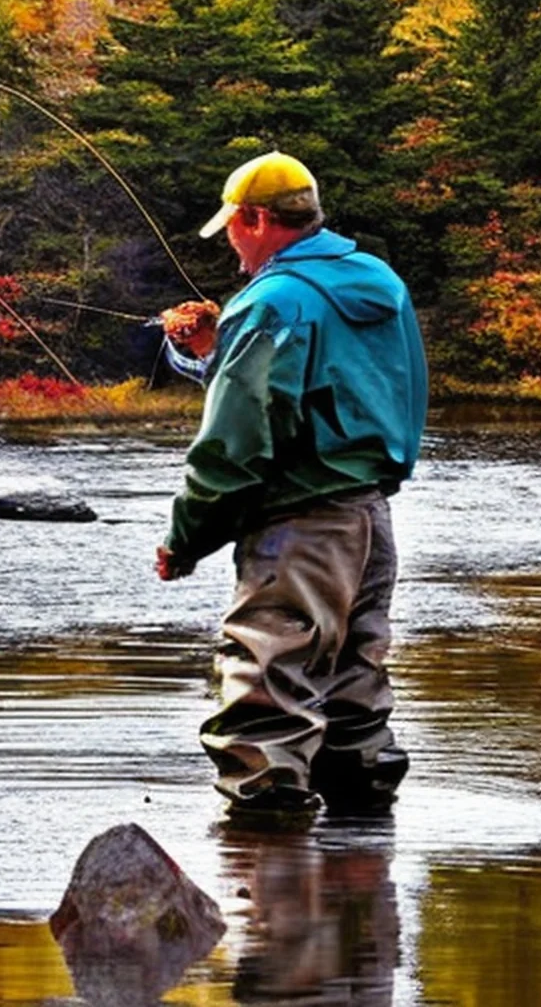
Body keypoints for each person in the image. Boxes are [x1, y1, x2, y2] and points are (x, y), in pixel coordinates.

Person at [156, 150, 427, 816]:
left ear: (255, 218)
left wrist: (185, 541)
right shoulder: (377, 280)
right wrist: (218, 350)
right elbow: (346, 384)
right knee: (355, 676)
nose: (232, 244)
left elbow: (234, 447)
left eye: (233, 228)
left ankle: (263, 849)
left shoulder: (273, 302)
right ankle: (361, 843)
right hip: (369, 516)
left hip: (299, 524)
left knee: (268, 681)